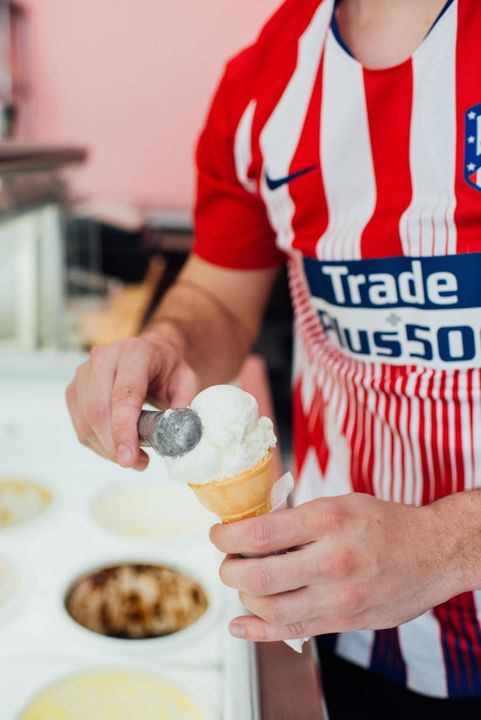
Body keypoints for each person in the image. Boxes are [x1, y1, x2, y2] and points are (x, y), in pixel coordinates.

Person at [66, 0, 481, 716]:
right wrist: (167, 344)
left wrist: (447, 547)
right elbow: (220, 299)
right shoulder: (265, 78)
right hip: (354, 612)